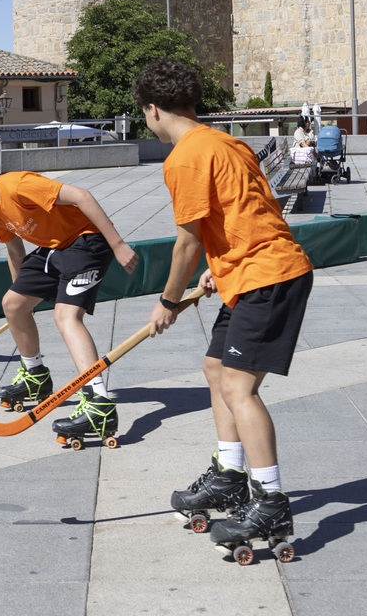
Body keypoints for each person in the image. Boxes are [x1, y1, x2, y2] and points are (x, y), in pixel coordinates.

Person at [133, 57, 313, 550]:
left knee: (238, 387)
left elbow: (186, 243)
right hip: (251, 270)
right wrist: (224, 262)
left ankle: (271, 504)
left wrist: (168, 300)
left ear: (152, 110)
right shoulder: (224, 141)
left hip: (269, 276)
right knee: (216, 367)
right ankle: (230, 474)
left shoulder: (185, 157)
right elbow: (247, 210)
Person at [0, 149, 138, 440]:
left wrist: (119, 245)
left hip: (87, 243)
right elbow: (14, 250)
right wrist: (22, 296)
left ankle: (99, 404)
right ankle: (35, 376)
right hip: (56, 249)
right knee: (11, 304)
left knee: (65, 315)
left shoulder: (17, 185)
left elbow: (81, 196)